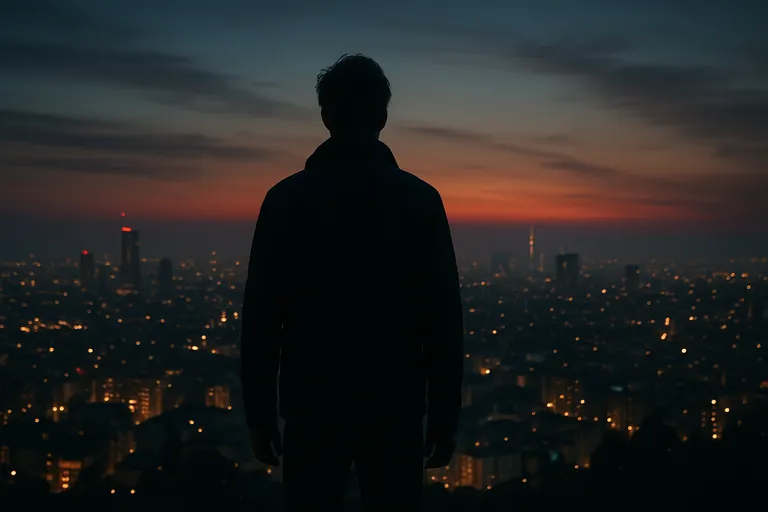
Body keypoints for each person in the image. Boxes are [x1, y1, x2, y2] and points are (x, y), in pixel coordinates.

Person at [240, 54, 464, 511]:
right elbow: (442, 320)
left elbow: (262, 317)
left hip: (313, 401)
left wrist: (260, 417)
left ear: (325, 115)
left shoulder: (286, 199)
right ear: (383, 116)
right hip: (394, 401)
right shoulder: (420, 200)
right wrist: (443, 419)